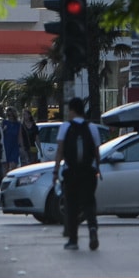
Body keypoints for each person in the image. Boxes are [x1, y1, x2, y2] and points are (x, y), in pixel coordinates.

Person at [54, 97, 102, 251]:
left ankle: (73, 240)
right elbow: (96, 152)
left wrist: (55, 171)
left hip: (71, 172)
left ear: (73, 111)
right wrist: (97, 168)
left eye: (69, 110)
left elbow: (60, 151)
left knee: (72, 205)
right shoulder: (92, 128)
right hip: (88, 171)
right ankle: (92, 229)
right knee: (89, 203)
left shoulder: (65, 127)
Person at [2, 107, 22, 172]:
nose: (10, 117)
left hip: (14, 146)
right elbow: (0, 134)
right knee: (5, 166)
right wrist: (3, 130)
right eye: (8, 115)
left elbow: (19, 136)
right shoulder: (5, 123)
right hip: (6, 146)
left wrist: (21, 146)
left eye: (11, 115)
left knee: (13, 165)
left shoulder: (18, 124)